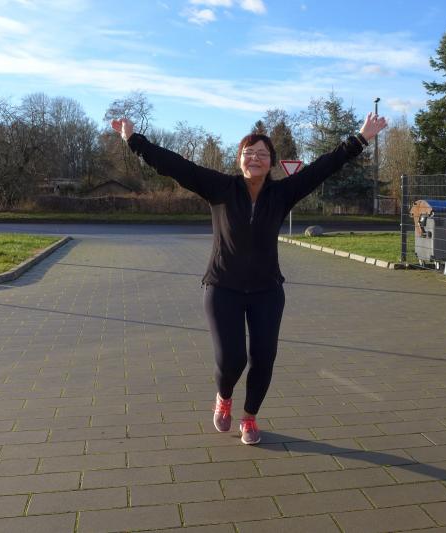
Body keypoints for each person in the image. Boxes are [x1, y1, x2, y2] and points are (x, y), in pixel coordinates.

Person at [112, 112, 387, 444]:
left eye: (262, 153)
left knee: (263, 358)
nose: (254, 158)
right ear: (239, 158)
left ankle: (249, 417)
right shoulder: (220, 188)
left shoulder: (282, 193)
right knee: (232, 359)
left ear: (270, 162)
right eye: (248, 152)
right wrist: (133, 139)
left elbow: (323, 167)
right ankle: (224, 397)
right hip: (222, 287)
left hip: (266, 291)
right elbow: (174, 166)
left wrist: (360, 138)